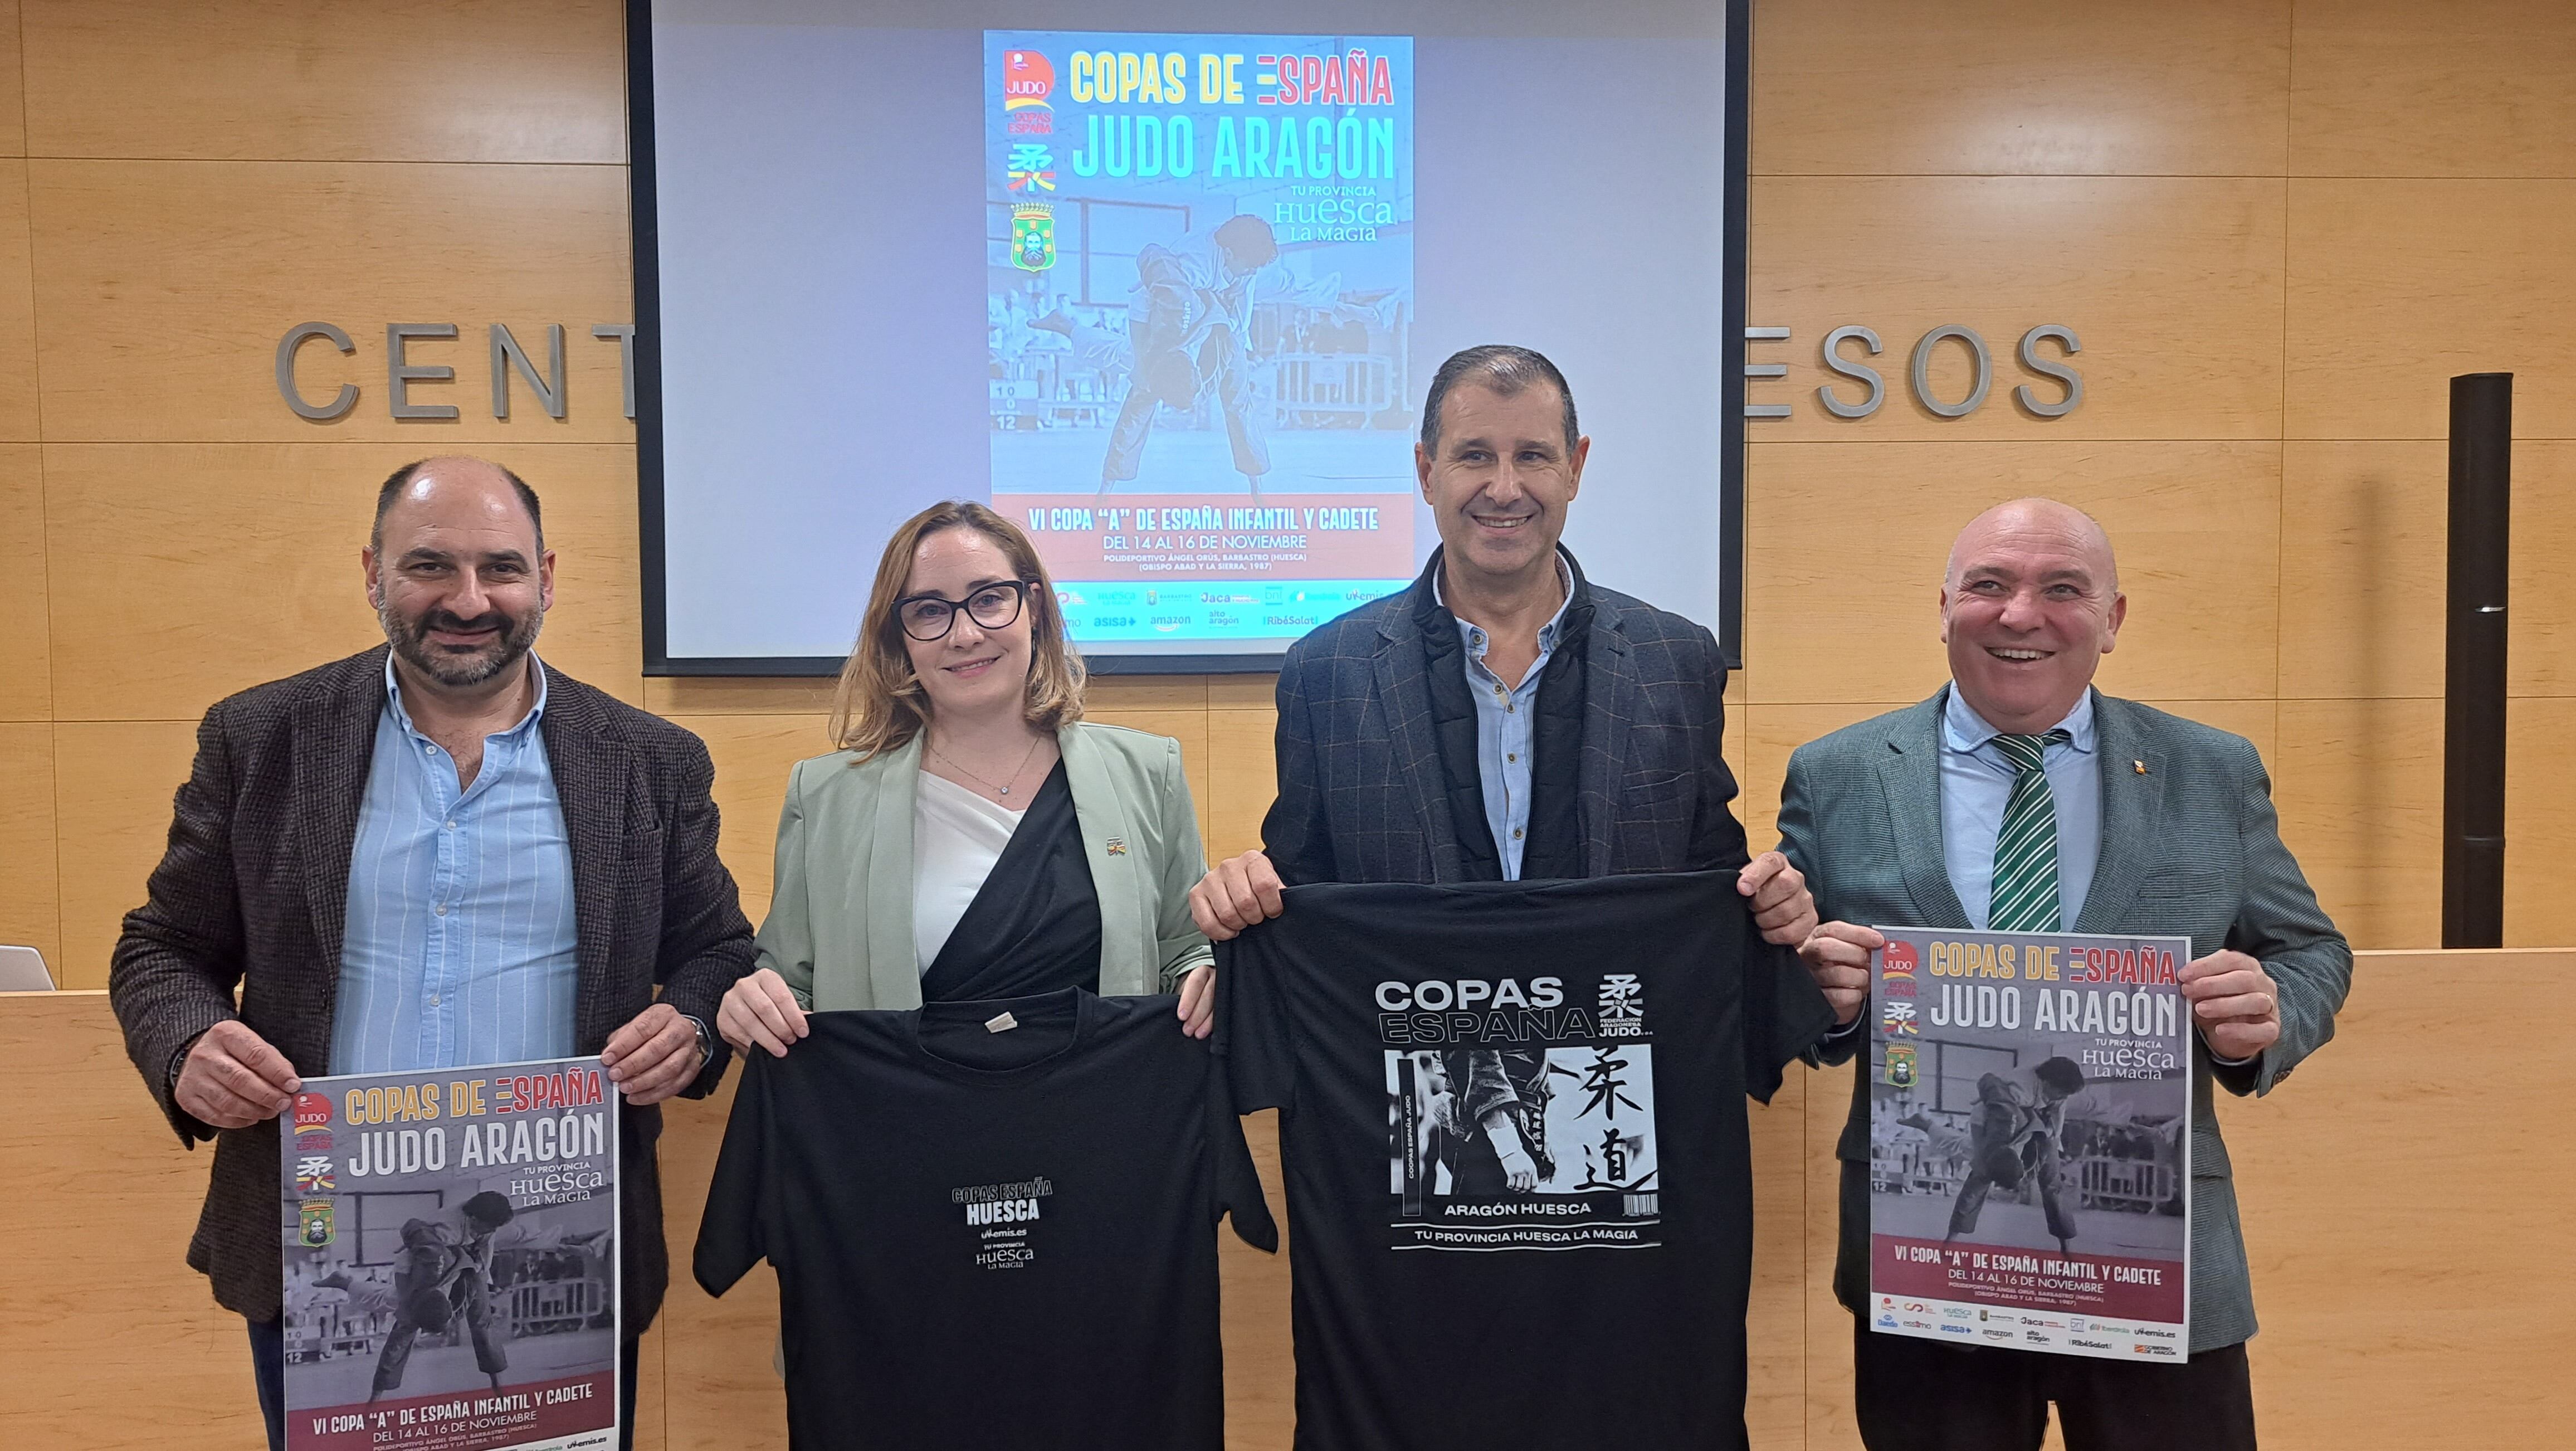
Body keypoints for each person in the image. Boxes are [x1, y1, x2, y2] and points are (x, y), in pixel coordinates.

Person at [108, 456, 758, 1451]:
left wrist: (695, 1023)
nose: (467, 599)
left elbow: (717, 947)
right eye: (429, 566)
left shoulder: (647, 760)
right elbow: (160, 946)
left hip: (550, 1244)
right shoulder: (262, 738)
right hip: (321, 1244)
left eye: (499, 567)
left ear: (546, 575)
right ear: (372, 573)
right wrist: (187, 1039)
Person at [1778, 497, 2353, 1451]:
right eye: (1988, 585)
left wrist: (2271, 1010)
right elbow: (1793, 973)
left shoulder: (2208, 770)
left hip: (2154, 1272)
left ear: (2112, 619)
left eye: (2060, 589)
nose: (2018, 615)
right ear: (1942, 604)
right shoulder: (1836, 775)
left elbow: (2308, 949)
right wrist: (1818, 992)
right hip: (1926, 1274)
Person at [1188, 343, 1817, 946]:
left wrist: (1770, 903)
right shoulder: (1326, 672)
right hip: (1413, 1044)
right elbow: (1301, 893)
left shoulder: (1676, 661)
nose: (1505, 488)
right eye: (1475, 456)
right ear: (1427, 472)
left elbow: (1710, 884)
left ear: (1575, 469)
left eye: (1534, 457)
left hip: (1612, 1039)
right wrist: (1242, 897)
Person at [715, 499, 1215, 1057]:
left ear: (1034, 608)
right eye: (930, 610)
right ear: (897, 635)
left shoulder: (1147, 772)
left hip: (1102, 1116)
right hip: (906, 1124)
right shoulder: (826, 796)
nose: (965, 634)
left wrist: (1207, 978)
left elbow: (1185, 951)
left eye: (989, 600)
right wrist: (756, 1002)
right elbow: (792, 983)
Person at [1097, 214, 1279, 500]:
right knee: (1144, 393)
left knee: (1238, 396)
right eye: (1248, 269)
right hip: (1176, 320)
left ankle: (1257, 484)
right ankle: (1108, 486)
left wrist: (1240, 352)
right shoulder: (1192, 263)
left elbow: (1241, 318)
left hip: (1221, 319)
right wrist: (1143, 363)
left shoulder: (1247, 262)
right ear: (1228, 254)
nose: (1251, 274)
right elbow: (1141, 303)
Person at [1943, 1057, 2086, 1255]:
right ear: (2047, 1083)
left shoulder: (2059, 1091)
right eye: (2060, 1093)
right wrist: (1980, 1152)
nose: (2062, 1098)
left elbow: (2057, 1122)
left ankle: (2066, 1247)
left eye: (2065, 1095)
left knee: (2053, 1185)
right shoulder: (2017, 1089)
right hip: (2001, 1129)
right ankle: (1951, 1240)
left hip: (2039, 1130)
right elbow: (1979, 1115)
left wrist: (2054, 1144)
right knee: (1980, 1178)